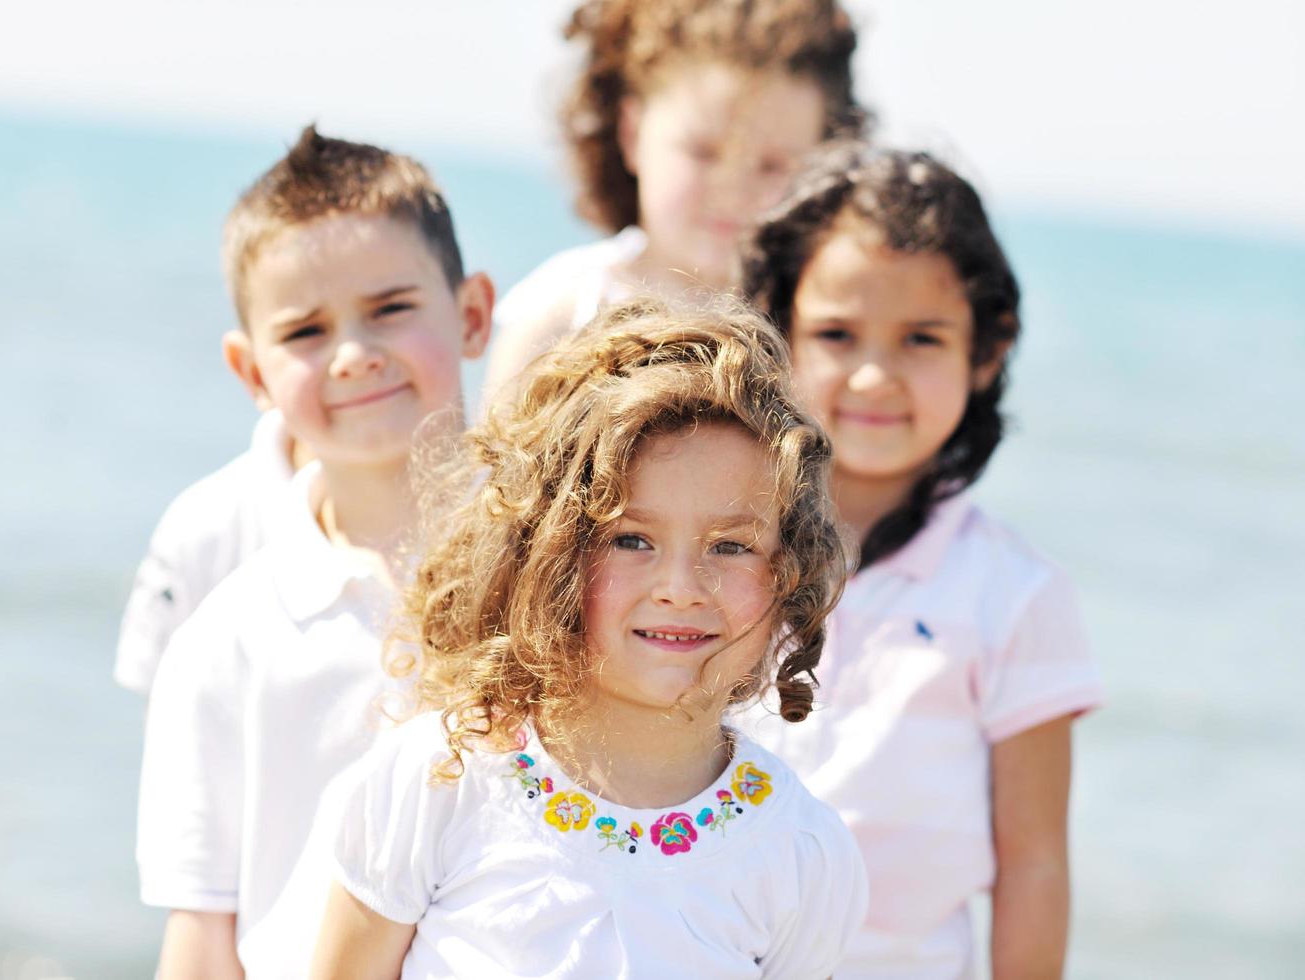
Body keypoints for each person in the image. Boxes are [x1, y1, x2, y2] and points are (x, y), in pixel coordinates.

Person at [311, 300, 869, 979]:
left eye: (730, 546)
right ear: (547, 551)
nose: (681, 586)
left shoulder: (801, 852)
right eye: (630, 539)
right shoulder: (438, 780)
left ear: (789, 571)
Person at [737, 142, 1105, 979]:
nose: (875, 374)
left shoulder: (1016, 594)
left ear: (987, 352)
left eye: (921, 338)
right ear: (777, 334)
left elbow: (1035, 866)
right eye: (836, 333)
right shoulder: (719, 545)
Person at [134, 126, 493, 979]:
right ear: (250, 370)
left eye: (392, 309)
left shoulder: (570, 571)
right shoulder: (225, 642)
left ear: (473, 313)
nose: (355, 355)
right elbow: (202, 932)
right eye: (304, 331)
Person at [482, 0, 865, 402]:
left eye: (772, 165)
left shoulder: (829, 326)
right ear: (632, 134)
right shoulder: (561, 316)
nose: (733, 188)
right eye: (703, 152)